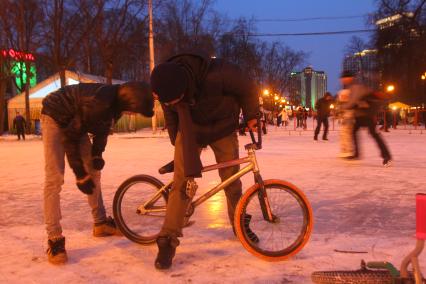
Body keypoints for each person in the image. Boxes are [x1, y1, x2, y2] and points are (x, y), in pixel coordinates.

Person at [150, 52, 259, 270]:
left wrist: (252, 116)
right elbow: (172, 117)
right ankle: (167, 241)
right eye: (167, 102)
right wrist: (177, 143)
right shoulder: (166, 84)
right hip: (191, 130)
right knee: (181, 183)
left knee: (231, 180)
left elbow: (247, 87)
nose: (170, 104)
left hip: (223, 127)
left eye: (174, 100)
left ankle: (239, 224)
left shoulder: (218, 72)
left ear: (184, 87)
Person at [41, 82, 154, 264]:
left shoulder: (114, 106)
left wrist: (96, 155)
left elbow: (102, 131)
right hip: (55, 114)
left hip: (76, 119)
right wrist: (79, 174)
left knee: (93, 171)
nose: (133, 114)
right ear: (128, 102)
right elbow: (70, 139)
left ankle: (100, 223)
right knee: (54, 178)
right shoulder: (98, 103)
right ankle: (54, 238)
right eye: (135, 110)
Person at [341, 72, 392, 166]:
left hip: (367, 114)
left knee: (373, 134)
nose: (342, 80)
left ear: (349, 78)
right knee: (354, 131)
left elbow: (352, 102)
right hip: (361, 114)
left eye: (344, 78)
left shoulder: (355, 86)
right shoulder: (352, 86)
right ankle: (357, 153)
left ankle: (387, 156)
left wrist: (342, 106)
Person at [337, 71, 355, 157]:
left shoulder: (351, 89)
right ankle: (345, 149)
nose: (342, 80)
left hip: (350, 113)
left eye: (344, 78)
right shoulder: (344, 88)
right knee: (344, 131)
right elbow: (341, 103)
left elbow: (347, 102)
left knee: (347, 131)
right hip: (346, 114)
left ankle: (348, 150)